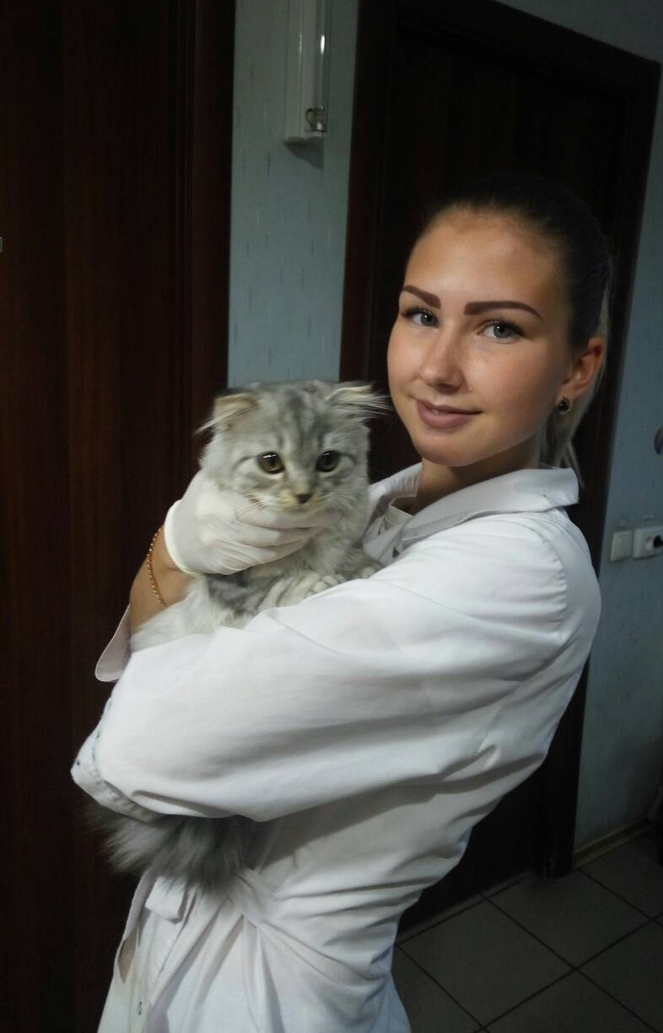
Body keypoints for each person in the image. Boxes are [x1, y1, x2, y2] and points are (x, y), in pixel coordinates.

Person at [73, 171, 610, 1032]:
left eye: (499, 327)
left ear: (577, 366)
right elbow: (155, 634)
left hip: (269, 993)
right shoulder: (382, 500)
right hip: (175, 932)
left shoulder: (521, 576)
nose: (438, 368)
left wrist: (168, 556)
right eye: (421, 314)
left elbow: (140, 744)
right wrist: (179, 547)